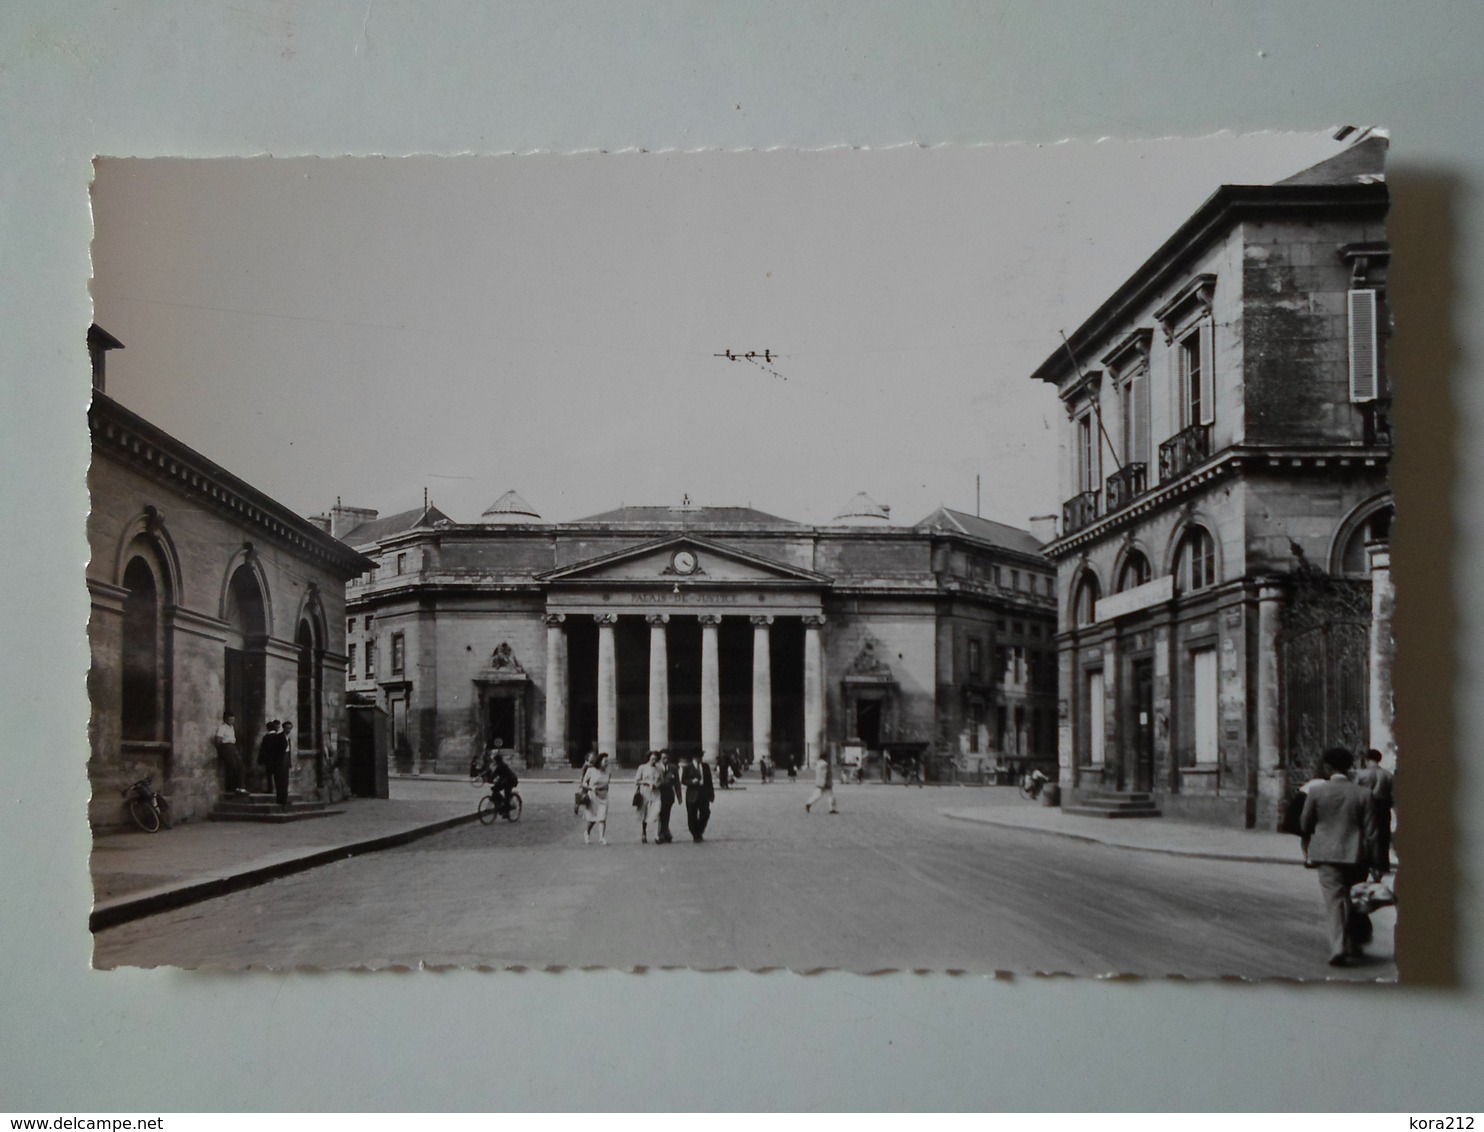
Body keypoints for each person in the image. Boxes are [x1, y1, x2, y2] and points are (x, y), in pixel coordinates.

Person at [1300, 746, 1381, 966]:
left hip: (1326, 854)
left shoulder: (1316, 791)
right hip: (1356, 854)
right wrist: (1375, 862)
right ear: (1350, 767)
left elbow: (1305, 823)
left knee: (1335, 901)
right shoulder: (1363, 794)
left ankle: (1338, 947)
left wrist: (1308, 844)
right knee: (1354, 900)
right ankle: (1354, 943)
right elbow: (1372, 831)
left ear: (1327, 767)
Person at [1354, 748, 1395, 879]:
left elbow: (1355, 792)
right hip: (1383, 807)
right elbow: (1393, 795)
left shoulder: (1361, 774)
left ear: (1366, 760)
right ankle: (1382, 864)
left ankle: (1367, 862)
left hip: (1366, 806)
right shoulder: (1388, 775)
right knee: (1383, 835)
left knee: (1367, 835)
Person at [579, 752, 611, 844]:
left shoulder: (608, 771)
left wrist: (604, 790)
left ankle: (601, 837)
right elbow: (583, 783)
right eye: (605, 761)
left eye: (607, 761)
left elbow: (608, 783)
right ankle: (587, 833)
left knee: (603, 817)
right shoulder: (591, 770)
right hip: (593, 796)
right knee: (592, 818)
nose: (606, 763)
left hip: (604, 796)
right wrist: (590, 788)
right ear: (600, 761)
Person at [682, 752, 714, 842]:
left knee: (706, 813)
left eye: (700, 756)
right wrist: (692, 781)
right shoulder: (687, 767)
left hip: (703, 794)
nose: (699, 758)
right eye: (697, 756)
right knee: (692, 815)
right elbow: (683, 780)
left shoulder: (705, 766)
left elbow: (709, 781)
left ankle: (699, 831)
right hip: (692, 794)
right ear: (693, 757)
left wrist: (711, 794)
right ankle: (695, 835)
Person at [213, 710, 246, 795]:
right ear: (226, 719)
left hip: (232, 747)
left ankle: (240, 787)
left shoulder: (231, 727)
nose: (232, 722)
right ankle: (233, 788)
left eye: (233, 720)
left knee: (241, 766)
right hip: (226, 747)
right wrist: (222, 751)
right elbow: (218, 740)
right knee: (233, 767)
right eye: (230, 720)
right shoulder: (222, 728)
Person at [634, 750, 662, 843]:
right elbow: (637, 781)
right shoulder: (642, 767)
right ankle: (644, 832)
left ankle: (656, 835)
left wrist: (657, 784)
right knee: (645, 814)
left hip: (656, 793)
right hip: (645, 792)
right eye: (652, 759)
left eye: (656, 759)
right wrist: (647, 782)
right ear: (649, 758)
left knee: (657, 812)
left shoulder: (659, 769)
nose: (654, 761)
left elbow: (662, 780)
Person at [484, 748, 519, 818]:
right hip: (505, 781)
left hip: (510, 781)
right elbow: (494, 775)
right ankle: (501, 804)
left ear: (497, 761)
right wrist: (489, 779)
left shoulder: (501, 766)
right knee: (495, 789)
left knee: (506, 794)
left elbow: (494, 774)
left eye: (495, 761)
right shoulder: (500, 766)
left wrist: (490, 779)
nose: (494, 762)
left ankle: (507, 812)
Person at [656, 750, 679, 844]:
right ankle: (662, 833)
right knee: (660, 814)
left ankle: (665, 832)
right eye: (663, 758)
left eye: (667, 758)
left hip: (669, 795)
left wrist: (679, 796)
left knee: (666, 815)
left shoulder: (673, 768)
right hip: (658, 794)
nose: (665, 760)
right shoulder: (656, 767)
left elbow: (677, 783)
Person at [806, 747, 838, 814]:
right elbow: (824, 774)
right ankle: (832, 809)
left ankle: (809, 803)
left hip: (819, 783)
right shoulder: (825, 764)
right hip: (825, 783)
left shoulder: (818, 764)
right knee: (831, 797)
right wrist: (825, 783)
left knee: (816, 796)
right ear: (825, 757)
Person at [256, 720, 282, 799]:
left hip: (269, 759)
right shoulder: (279, 737)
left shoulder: (266, 737)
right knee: (277, 774)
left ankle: (270, 789)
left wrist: (260, 760)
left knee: (269, 774)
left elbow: (263, 749)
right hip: (277, 759)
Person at [274, 721, 295, 807]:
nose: (288, 730)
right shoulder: (279, 737)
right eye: (287, 728)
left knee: (285, 780)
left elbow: (289, 751)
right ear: (283, 728)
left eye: (290, 728)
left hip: (286, 759)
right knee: (280, 780)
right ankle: (280, 799)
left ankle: (284, 799)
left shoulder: (288, 737)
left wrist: (289, 762)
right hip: (280, 760)